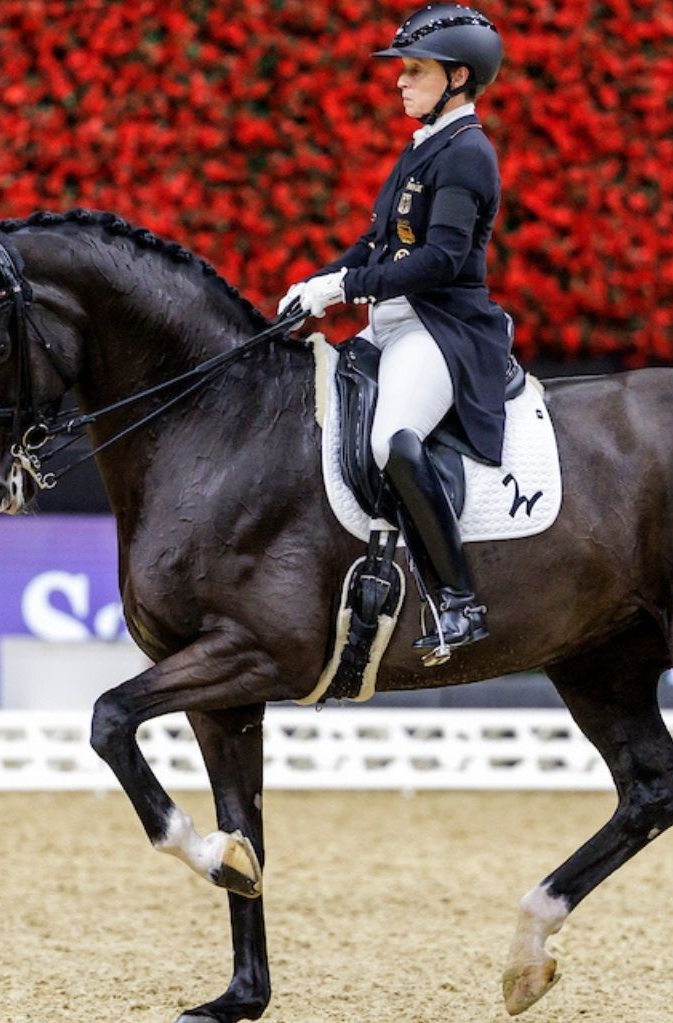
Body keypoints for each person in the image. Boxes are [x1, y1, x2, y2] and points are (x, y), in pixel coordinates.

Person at [278, 3, 512, 662]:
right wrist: (315, 285)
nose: (400, 81)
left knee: (392, 440)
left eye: (415, 70)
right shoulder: (424, 147)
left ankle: (458, 601)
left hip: (444, 330)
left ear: (458, 77)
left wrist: (346, 290)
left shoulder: (467, 154)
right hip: (396, 324)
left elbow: (438, 260)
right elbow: (374, 245)